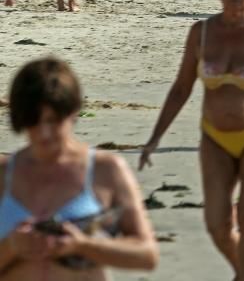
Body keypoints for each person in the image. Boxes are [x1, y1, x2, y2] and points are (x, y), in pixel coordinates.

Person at [139, 0, 244, 278]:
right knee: (216, 223)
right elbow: (181, 88)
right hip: (215, 136)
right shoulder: (202, 33)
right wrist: (154, 138)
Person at [0, 58, 159, 278]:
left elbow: (147, 254)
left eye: (54, 121)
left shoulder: (106, 170)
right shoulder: (4, 175)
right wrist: (12, 246)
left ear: (73, 111)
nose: (44, 133)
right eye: (34, 122)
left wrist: (82, 245)